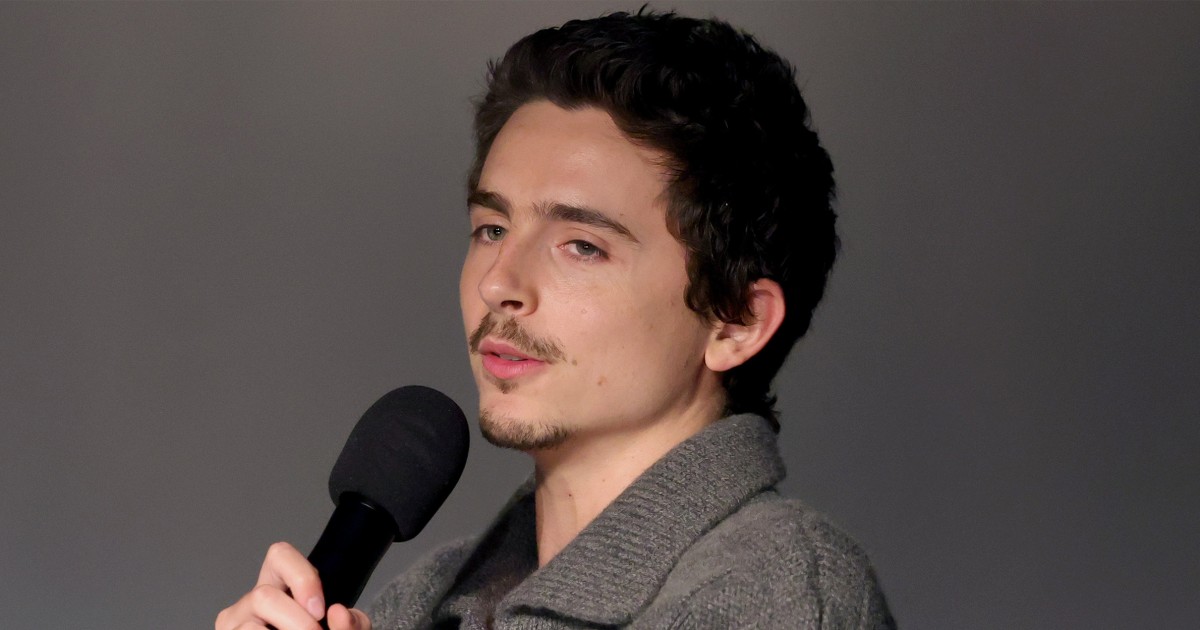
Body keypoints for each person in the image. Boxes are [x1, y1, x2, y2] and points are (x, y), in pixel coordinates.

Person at [217, 10, 894, 630]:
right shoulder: (420, 602)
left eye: (582, 246)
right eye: (491, 228)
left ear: (735, 321)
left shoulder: (776, 592)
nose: (498, 283)